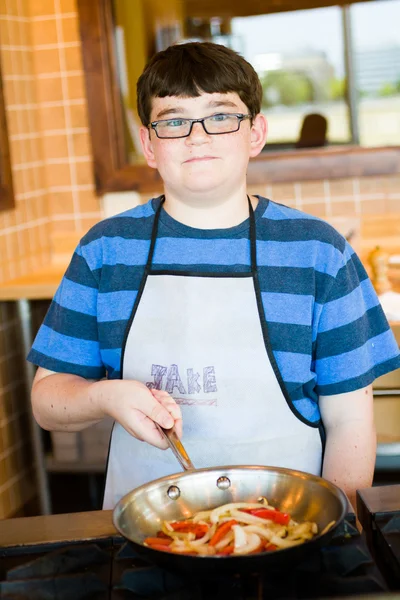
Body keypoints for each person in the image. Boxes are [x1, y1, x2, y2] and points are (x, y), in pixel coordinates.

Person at [28, 42, 400, 511]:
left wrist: (332, 533)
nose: (197, 137)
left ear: (255, 134)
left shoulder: (319, 253)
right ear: (148, 144)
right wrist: (104, 396)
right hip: (145, 538)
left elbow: (350, 422)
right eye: (174, 120)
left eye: (221, 116)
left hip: (288, 533)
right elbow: (47, 403)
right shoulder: (106, 250)